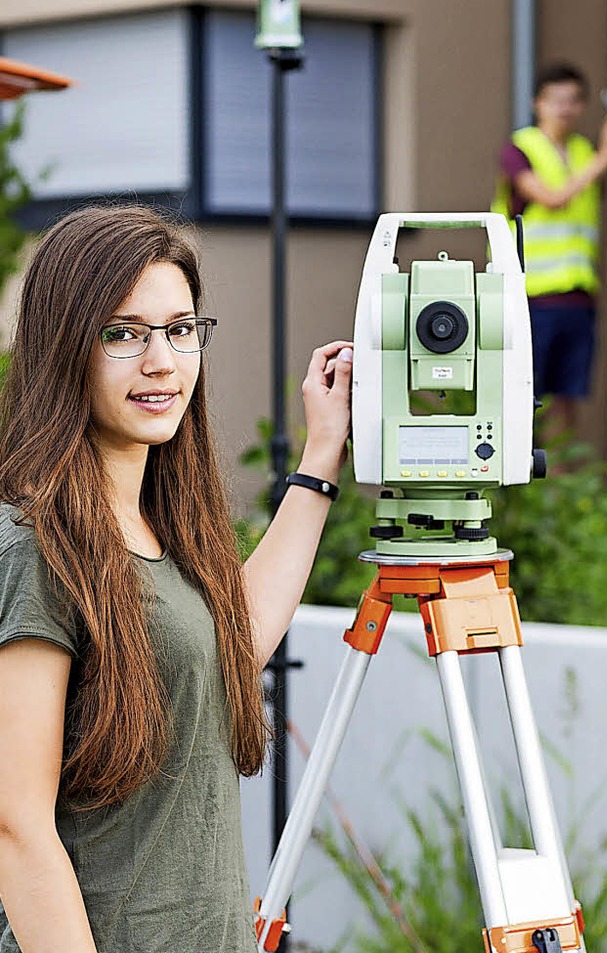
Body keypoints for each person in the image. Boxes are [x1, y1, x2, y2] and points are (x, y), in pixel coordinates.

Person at [0, 205, 353, 953]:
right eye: (123, 333)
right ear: (66, 345)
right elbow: (15, 823)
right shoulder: (35, 541)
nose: (162, 360)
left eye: (181, 328)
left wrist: (321, 456)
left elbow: (225, 649)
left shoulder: (162, 524)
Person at [491, 62, 607, 446]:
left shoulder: (583, 152)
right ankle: (525, 484)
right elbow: (551, 197)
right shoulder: (522, 148)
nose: (564, 109)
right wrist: (606, 155)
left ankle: (561, 491)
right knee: (527, 394)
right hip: (531, 295)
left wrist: (598, 157)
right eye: (556, 100)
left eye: (572, 100)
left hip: (578, 296)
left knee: (568, 400)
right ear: (538, 103)